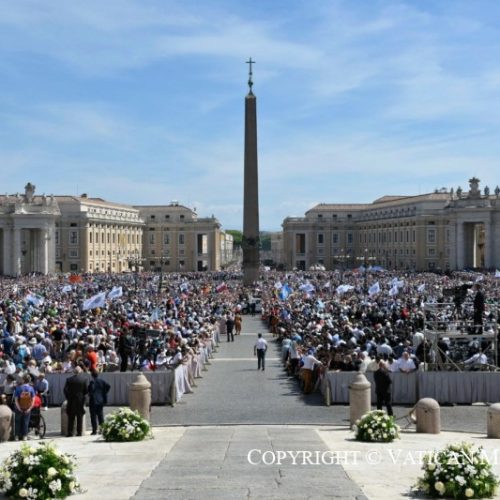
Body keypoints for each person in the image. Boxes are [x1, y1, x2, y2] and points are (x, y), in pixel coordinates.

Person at [63, 365, 89, 437]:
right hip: (80, 400)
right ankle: (79, 432)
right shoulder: (84, 379)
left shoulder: (69, 379)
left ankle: (70, 432)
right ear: (80, 371)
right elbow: (86, 390)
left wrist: (68, 397)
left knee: (71, 416)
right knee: (79, 416)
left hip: (71, 400)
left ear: (74, 371)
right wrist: (82, 396)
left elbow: (65, 390)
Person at [13, 373, 36, 441]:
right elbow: (33, 400)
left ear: (23, 380)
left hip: (19, 407)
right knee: (26, 422)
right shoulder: (31, 388)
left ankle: (17, 436)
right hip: (27, 407)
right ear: (29, 380)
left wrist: (19, 408)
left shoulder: (18, 388)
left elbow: (16, 400)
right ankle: (24, 436)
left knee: (17, 422)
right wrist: (29, 408)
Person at [88, 369, 111, 435]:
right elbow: (108, 386)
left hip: (93, 401)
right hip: (100, 400)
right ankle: (102, 429)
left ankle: (94, 430)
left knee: (93, 416)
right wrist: (104, 392)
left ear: (92, 375)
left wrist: (90, 393)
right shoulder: (102, 381)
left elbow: (90, 390)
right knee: (100, 416)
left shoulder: (92, 382)